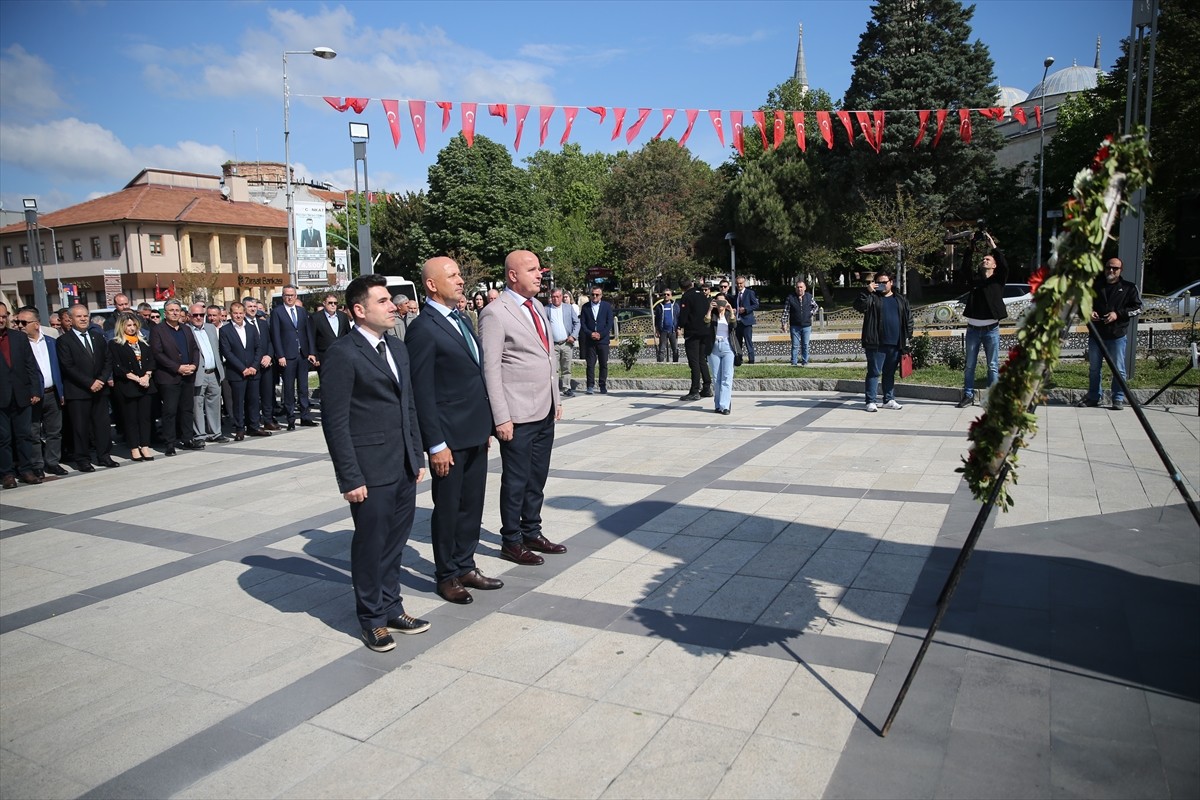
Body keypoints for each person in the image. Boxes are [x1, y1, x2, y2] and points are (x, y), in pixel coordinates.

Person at [320, 273, 429, 652]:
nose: (392, 306)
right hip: (369, 468)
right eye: (383, 301)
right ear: (359, 310)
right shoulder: (343, 353)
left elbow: (408, 406)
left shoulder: (397, 348)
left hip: (401, 464)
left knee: (395, 542)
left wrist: (416, 455)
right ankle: (371, 617)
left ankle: (392, 607)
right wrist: (350, 476)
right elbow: (335, 421)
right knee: (372, 544)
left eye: (391, 300)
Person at [406, 256, 503, 605]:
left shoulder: (462, 318)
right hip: (448, 438)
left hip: (474, 432)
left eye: (460, 274)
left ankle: (466, 564)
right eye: (453, 275)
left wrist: (486, 426)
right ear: (432, 284)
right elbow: (422, 392)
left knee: (472, 504)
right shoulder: (423, 327)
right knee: (448, 507)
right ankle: (446, 574)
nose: (461, 280)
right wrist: (436, 444)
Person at [478, 250, 566, 567]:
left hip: (544, 410)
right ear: (513, 275)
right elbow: (490, 369)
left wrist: (556, 399)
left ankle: (532, 531)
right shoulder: (494, 313)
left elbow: (547, 356)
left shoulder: (538, 307)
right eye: (531, 270)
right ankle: (511, 540)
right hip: (516, 414)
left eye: (539, 269)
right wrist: (500, 417)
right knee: (516, 480)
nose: (539, 274)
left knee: (537, 477)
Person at [57, 304, 119, 469]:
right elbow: (68, 366)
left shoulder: (97, 337)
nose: (83, 319)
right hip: (78, 391)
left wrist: (101, 380)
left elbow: (108, 360)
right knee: (80, 427)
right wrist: (89, 382)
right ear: (70, 319)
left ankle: (104, 456)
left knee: (102, 426)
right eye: (79, 316)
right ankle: (83, 459)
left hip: (100, 389)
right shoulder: (64, 341)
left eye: (85, 316)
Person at [1079, 257, 1142, 411]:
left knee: (1118, 368)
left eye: (1115, 268)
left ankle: (1118, 398)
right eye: (1108, 267)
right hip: (1096, 334)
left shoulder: (1129, 287)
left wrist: (1117, 314)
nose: (1111, 271)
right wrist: (1089, 311)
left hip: (1117, 335)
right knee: (1094, 368)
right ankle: (1094, 397)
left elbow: (1137, 308)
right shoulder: (1095, 286)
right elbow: (1083, 304)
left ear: (1121, 271)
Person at [15, 307, 67, 477]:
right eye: (17, 322)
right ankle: (37, 464)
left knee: (54, 431)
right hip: (34, 396)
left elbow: (59, 369)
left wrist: (61, 392)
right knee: (33, 432)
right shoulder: (20, 345)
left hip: (53, 393)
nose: (20, 326)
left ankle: (52, 462)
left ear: (36, 324)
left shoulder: (52, 342)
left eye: (24, 322)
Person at [958, 233, 1007, 407]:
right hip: (973, 329)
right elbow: (965, 268)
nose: (985, 261)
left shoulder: (997, 280)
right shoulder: (975, 281)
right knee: (970, 365)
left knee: (992, 365)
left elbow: (1004, 264)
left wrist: (992, 244)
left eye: (988, 259)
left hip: (991, 330)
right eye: (983, 259)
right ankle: (968, 395)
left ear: (994, 265)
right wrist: (971, 246)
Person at [855, 268, 913, 412]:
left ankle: (888, 399)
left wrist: (908, 336)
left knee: (889, 372)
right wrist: (866, 291)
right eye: (878, 282)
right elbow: (858, 306)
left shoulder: (900, 299)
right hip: (876, 343)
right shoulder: (872, 298)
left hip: (895, 343)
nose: (881, 285)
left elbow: (908, 318)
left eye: (884, 282)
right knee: (874, 372)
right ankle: (871, 401)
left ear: (891, 282)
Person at [0, 302, 43, 487]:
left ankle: (26, 469)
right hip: (1, 397)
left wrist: (34, 390)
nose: (2, 320)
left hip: (21, 395)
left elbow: (30, 365)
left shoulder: (18, 337)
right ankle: (7, 473)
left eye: (4, 316)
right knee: (3, 438)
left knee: (24, 435)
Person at [150, 299, 200, 455]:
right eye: (171, 310)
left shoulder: (186, 329)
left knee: (187, 409)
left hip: (188, 375)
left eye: (177, 310)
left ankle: (187, 439)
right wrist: (177, 368)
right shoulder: (158, 330)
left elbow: (195, 349)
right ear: (166, 312)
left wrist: (194, 365)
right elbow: (157, 353)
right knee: (170, 411)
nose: (174, 313)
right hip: (169, 377)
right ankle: (170, 443)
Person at [108, 312, 157, 461]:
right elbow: (118, 367)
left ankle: (145, 446)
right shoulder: (115, 344)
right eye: (128, 325)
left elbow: (151, 361)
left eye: (134, 325)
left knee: (145, 418)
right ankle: (134, 447)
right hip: (128, 386)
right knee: (131, 419)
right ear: (121, 327)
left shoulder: (143, 342)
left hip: (145, 385)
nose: (131, 328)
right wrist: (137, 378)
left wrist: (147, 376)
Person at [220, 302, 270, 440]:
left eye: (241, 313)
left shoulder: (252, 328)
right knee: (238, 402)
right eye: (235, 313)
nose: (238, 316)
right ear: (231, 314)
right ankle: (240, 428)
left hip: (254, 371)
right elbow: (227, 352)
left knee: (253, 400)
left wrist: (254, 366)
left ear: (244, 313)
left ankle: (253, 426)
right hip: (237, 372)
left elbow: (259, 348)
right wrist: (243, 368)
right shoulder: (225, 330)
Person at [270, 285, 318, 430]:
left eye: (292, 295)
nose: (289, 297)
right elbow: (276, 335)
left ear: (296, 296)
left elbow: (307, 332)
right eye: (286, 295)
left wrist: (311, 352)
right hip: (287, 356)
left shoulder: (302, 311)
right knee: (289, 388)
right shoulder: (277, 312)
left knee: (303, 387)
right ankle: (290, 418)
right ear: (283, 297)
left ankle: (305, 416)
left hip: (302, 354)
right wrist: (280, 355)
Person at [189, 302, 228, 444]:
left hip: (214, 372)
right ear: (189, 316)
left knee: (214, 403)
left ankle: (215, 432)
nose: (199, 317)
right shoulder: (187, 330)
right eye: (195, 315)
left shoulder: (211, 328)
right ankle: (200, 435)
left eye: (201, 315)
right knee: (197, 404)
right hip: (199, 373)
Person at [243, 298, 278, 431]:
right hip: (252, 365)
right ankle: (254, 423)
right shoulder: (242, 324)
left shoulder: (262, 323)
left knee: (268, 393)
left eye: (254, 306)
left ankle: (268, 420)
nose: (253, 309)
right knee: (252, 397)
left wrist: (269, 356)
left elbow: (270, 341)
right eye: (250, 306)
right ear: (244, 308)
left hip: (266, 364)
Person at [677, 278, 713, 401]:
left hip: (693, 333)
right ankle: (707, 387)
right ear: (691, 284)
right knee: (701, 359)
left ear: (681, 288)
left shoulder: (687, 297)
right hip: (705, 331)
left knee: (694, 362)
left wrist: (680, 326)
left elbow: (684, 315)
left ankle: (694, 390)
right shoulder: (702, 295)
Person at [544, 288, 580, 397]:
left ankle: (566, 388)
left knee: (566, 367)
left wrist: (573, 336)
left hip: (566, 343)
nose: (555, 299)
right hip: (553, 344)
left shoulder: (568, 308)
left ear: (561, 297)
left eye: (558, 296)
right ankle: (553, 389)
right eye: (553, 297)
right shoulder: (546, 309)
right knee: (553, 368)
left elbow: (577, 323)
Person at [706, 295, 737, 415]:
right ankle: (718, 405)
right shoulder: (712, 315)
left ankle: (725, 406)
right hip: (714, 347)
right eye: (718, 301)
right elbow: (706, 325)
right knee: (716, 378)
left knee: (727, 377)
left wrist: (731, 311)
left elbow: (734, 326)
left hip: (727, 347)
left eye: (723, 301)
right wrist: (709, 309)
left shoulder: (729, 314)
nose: (720, 304)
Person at [579, 287, 614, 395]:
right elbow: (583, 323)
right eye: (593, 294)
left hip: (602, 340)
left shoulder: (606, 306)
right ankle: (590, 385)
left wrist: (601, 334)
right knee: (590, 364)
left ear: (601, 295)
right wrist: (591, 333)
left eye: (597, 295)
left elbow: (609, 323)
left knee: (603, 364)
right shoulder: (586, 307)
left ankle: (602, 385)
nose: (594, 296)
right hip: (590, 340)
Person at [782, 280, 820, 366]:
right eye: (798, 287)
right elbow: (786, 311)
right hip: (795, 325)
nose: (799, 289)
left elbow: (816, 307)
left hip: (806, 325)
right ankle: (794, 362)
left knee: (805, 345)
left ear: (805, 288)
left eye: (801, 287)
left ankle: (805, 361)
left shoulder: (809, 297)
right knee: (795, 345)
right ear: (795, 288)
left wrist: (810, 313)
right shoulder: (790, 298)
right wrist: (784, 323)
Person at [312, 293, 350, 365]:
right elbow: (312, 338)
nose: (333, 305)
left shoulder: (343, 316)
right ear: (324, 303)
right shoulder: (316, 318)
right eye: (330, 303)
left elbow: (348, 334)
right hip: (324, 356)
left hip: (343, 354)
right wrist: (315, 356)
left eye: (335, 303)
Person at [732, 276, 760, 364]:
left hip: (747, 322)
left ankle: (751, 360)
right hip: (738, 322)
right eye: (737, 284)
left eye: (741, 283)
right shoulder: (736, 295)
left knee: (748, 342)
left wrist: (746, 309)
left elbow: (756, 305)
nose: (739, 285)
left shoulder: (749, 293)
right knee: (738, 342)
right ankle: (739, 359)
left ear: (744, 283)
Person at [654, 289, 680, 363]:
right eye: (664, 294)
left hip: (673, 330)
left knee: (675, 349)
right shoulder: (659, 306)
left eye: (668, 294)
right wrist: (657, 330)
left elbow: (678, 317)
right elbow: (657, 319)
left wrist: (678, 328)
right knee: (661, 349)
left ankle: (676, 363)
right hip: (663, 331)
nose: (666, 296)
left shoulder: (675, 306)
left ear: (671, 296)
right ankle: (660, 363)